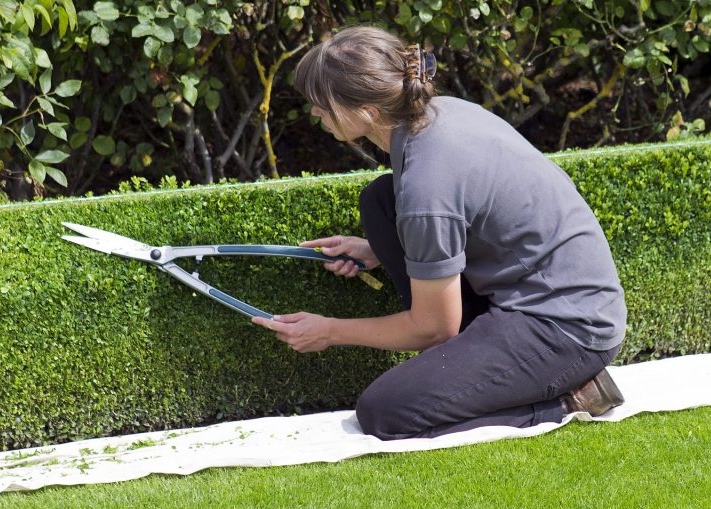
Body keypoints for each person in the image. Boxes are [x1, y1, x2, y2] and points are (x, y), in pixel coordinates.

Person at [251, 26, 628, 440]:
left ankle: (569, 398)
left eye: (321, 105)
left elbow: (434, 328)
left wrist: (330, 330)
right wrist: (376, 249)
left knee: (385, 412)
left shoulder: (426, 185)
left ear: (368, 111)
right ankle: (471, 371)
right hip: (542, 292)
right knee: (380, 201)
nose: (315, 114)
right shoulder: (438, 113)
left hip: (566, 327)